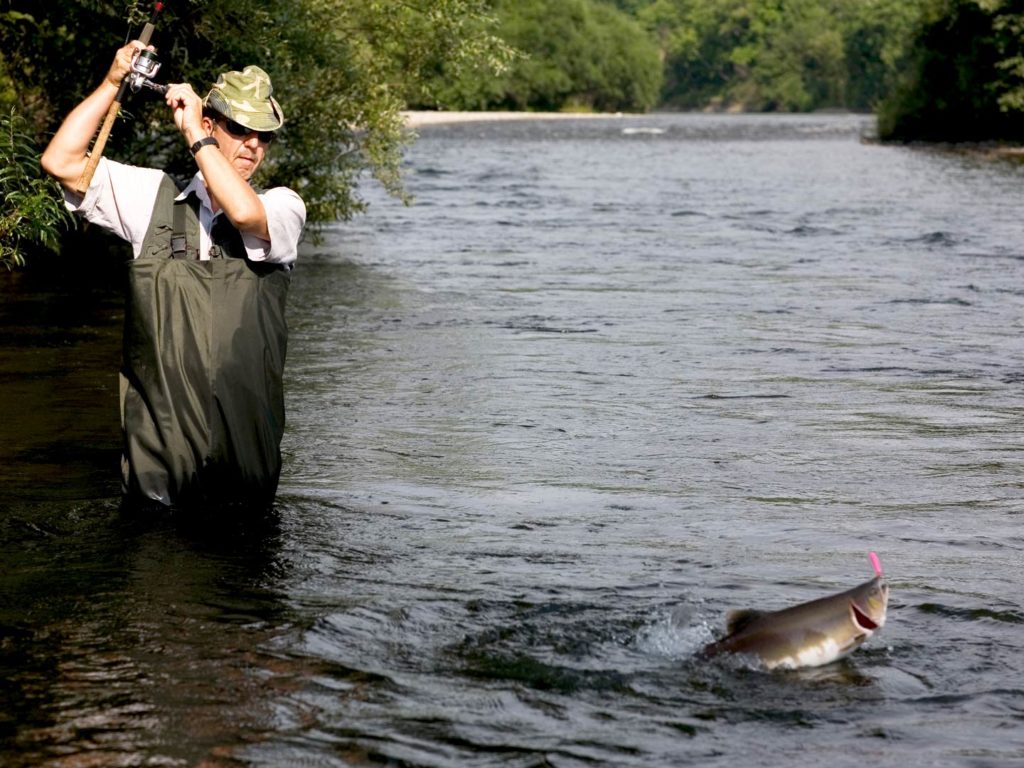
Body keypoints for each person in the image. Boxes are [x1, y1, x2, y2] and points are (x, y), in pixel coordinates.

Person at [41, 40, 306, 512]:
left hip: (244, 471)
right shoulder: (153, 198)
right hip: (157, 474)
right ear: (211, 123)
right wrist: (111, 83)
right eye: (240, 128)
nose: (253, 145)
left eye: (264, 136)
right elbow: (60, 163)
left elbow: (243, 212)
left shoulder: (283, 206)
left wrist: (195, 138)